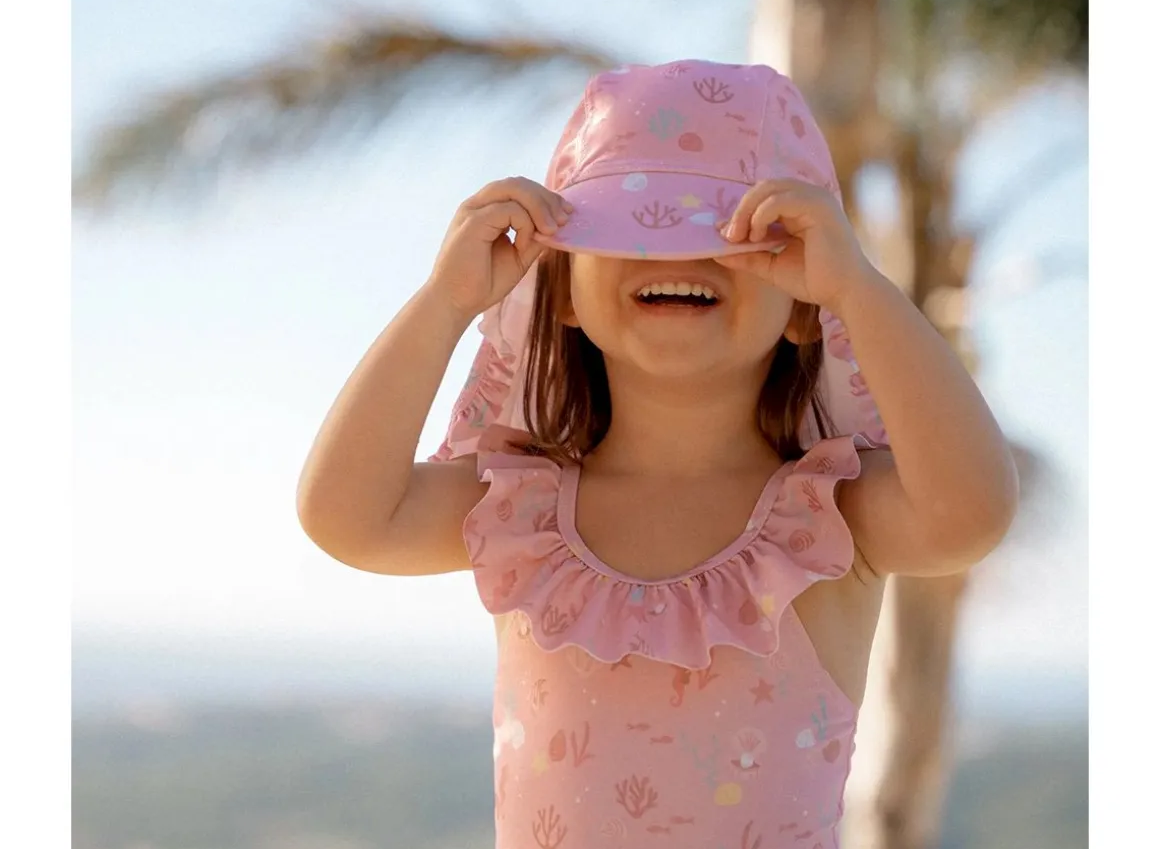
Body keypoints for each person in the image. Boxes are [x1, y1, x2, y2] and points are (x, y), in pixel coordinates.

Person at [296, 60, 1018, 848]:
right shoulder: (521, 507)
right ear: (562, 290)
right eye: (630, 227)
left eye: (730, 232)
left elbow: (970, 512)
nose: (676, 253)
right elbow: (345, 516)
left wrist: (861, 290)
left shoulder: (827, 514)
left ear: (806, 307)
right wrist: (446, 300)